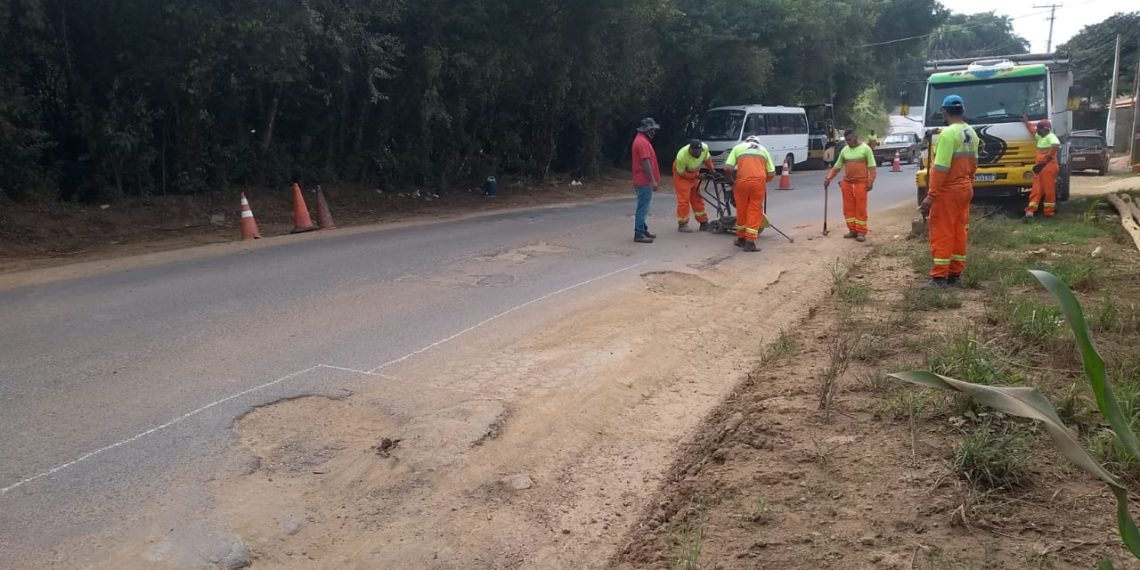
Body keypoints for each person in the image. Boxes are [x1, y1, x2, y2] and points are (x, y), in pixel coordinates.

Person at [920, 95, 978, 287]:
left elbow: (941, 168)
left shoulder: (947, 134)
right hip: (965, 188)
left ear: (944, 112)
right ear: (963, 110)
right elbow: (974, 164)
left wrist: (931, 196)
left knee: (942, 231)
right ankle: (955, 273)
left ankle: (939, 277)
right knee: (959, 230)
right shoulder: (971, 132)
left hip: (948, 191)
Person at [724, 135, 776, 252]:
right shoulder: (763, 150)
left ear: (746, 141)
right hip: (758, 184)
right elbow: (772, 173)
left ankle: (741, 238)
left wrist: (731, 181)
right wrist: (762, 181)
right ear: (757, 142)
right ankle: (750, 242)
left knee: (741, 210)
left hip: (741, 183)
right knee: (754, 210)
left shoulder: (738, 147)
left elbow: (728, 168)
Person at [823, 130, 876, 242]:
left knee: (860, 208)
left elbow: (872, 168)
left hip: (861, 184)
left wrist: (870, 182)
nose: (848, 142)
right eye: (846, 140)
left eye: (850, 140)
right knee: (848, 208)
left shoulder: (866, 149)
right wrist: (828, 178)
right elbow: (837, 167)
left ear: (855, 137)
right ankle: (852, 230)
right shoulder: (845, 150)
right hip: (847, 183)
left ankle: (861, 231)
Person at [1021, 116, 1061, 219]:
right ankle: (1030, 211)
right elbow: (1033, 132)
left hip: (1048, 167)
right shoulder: (1040, 136)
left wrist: (1049, 156)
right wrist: (1027, 123)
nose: (1037, 130)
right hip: (1040, 167)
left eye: (1039, 128)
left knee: (1049, 190)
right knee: (1036, 189)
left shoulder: (1050, 136)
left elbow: (1056, 144)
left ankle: (1048, 212)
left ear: (1045, 129)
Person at [672, 139, 714, 232]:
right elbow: (681, 173)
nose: (698, 155)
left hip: (694, 172)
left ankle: (703, 222)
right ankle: (682, 224)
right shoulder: (681, 156)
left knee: (697, 198)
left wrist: (712, 170)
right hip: (682, 176)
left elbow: (707, 159)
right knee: (684, 200)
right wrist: (697, 175)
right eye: (696, 153)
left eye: (700, 152)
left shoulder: (705, 148)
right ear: (691, 150)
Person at [631, 118, 661, 243]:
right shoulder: (642, 143)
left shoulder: (641, 140)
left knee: (644, 207)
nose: (654, 132)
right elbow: (645, 162)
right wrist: (652, 181)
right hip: (644, 181)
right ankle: (639, 232)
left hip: (642, 180)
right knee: (643, 208)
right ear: (647, 130)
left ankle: (643, 229)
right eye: (652, 130)